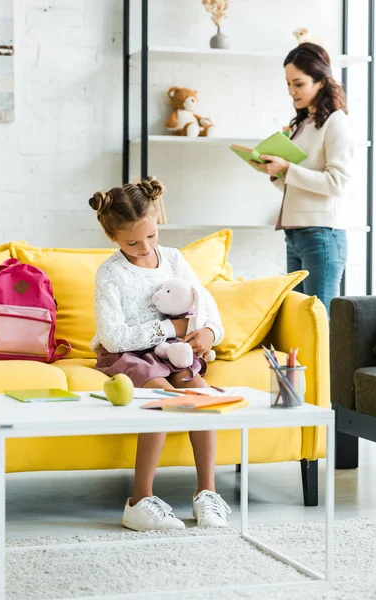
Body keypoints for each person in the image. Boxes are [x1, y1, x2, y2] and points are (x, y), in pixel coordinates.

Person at [89, 178, 231, 531]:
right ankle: (139, 500)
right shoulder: (110, 274)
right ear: (112, 237)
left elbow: (205, 305)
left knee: (200, 395)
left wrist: (210, 332)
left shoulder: (174, 259)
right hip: (128, 353)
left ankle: (207, 494)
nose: (143, 247)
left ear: (157, 219)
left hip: (174, 353)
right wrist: (172, 330)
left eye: (150, 236)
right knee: (162, 397)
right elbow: (114, 336)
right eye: (131, 242)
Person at [250, 43, 354, 315]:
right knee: (300, 321)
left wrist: (288, 169)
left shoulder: (336, 121)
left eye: (298, 83)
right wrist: (274, 171)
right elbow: (295, 183)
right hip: (296, 233)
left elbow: (337, 182)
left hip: (321, 234)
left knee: (320, 320)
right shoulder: (303, 124)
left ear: (320, 81)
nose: (291, 92)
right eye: (288, 84)